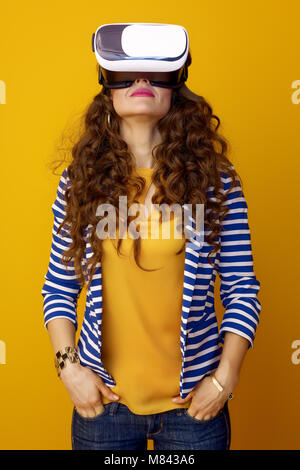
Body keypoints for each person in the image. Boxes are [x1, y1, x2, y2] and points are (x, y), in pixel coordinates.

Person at [41, 50, 261, 450]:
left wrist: (224, 379)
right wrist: (69, 370)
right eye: (126, 75)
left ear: (175, 88)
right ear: (107, 90)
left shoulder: (215, 182)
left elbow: (241, 288)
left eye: (156, 74)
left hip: (194, 410)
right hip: (105, 409)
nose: (141, 82)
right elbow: (59, 287)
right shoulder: (81, 182)